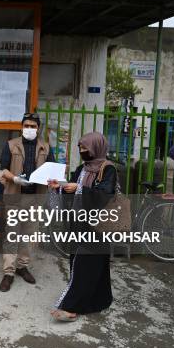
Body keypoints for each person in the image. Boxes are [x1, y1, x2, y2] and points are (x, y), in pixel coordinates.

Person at [48, 131, 115, 321]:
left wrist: (78, 188)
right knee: (85, 264)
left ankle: (72, 307)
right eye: (80, 148)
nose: (82, 151)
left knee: (86, 264)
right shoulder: (82, 169)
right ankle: (100, 299)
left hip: (98, 225)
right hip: (79, 222)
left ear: (96, 148)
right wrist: (59, 186)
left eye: (86, 148)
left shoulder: (107, 169)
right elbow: (71, 190)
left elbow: (104, 195)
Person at [0, 113, 54, 292]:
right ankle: (8, 272)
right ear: (22, 127)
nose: (29, 129)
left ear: (38, 128)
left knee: (29, 234)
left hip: (35, 197)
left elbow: (52, 170)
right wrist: (14, 178)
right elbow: (2, 169)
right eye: (26, 125)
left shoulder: (45, 147)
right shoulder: (11, 145)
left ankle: (22, 266)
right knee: (12, 234)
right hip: (15, 194)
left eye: (33, 126)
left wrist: (52, 179)